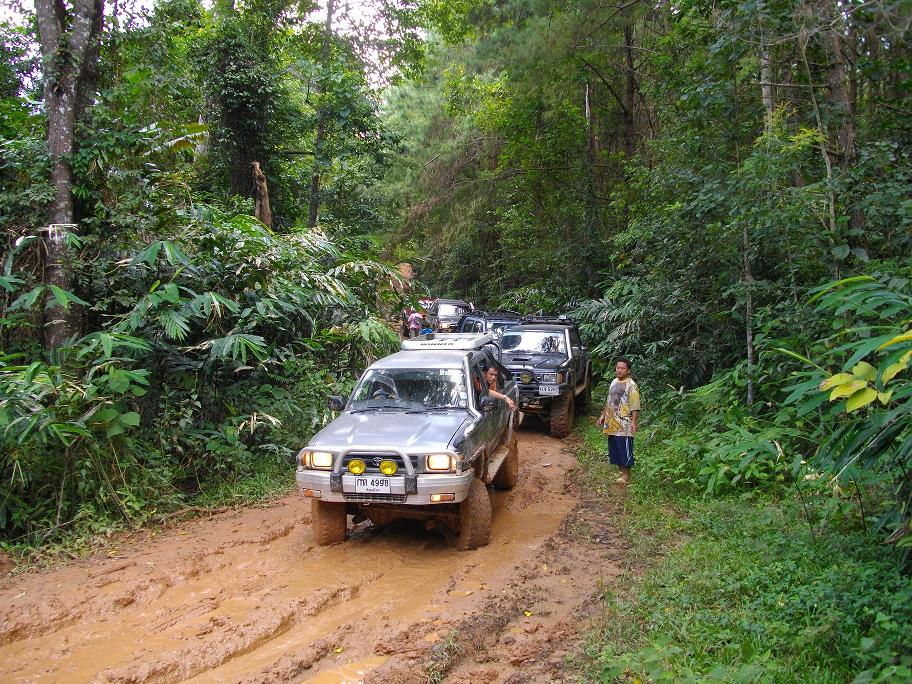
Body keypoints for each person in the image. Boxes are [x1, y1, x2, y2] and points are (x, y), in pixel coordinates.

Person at [597, 358, 640, 485]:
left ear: (628, 370)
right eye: (618, 367)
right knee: (615, 447)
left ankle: (626, 475)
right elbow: (609, 400)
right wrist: (603, 415)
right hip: (612, 421)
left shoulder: (631, 385)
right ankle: (621, 471)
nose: (619, 370)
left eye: (622, 368)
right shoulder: (614, 381)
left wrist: (634, 421)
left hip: (624, 423)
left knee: (624, 448)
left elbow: (635, 405)